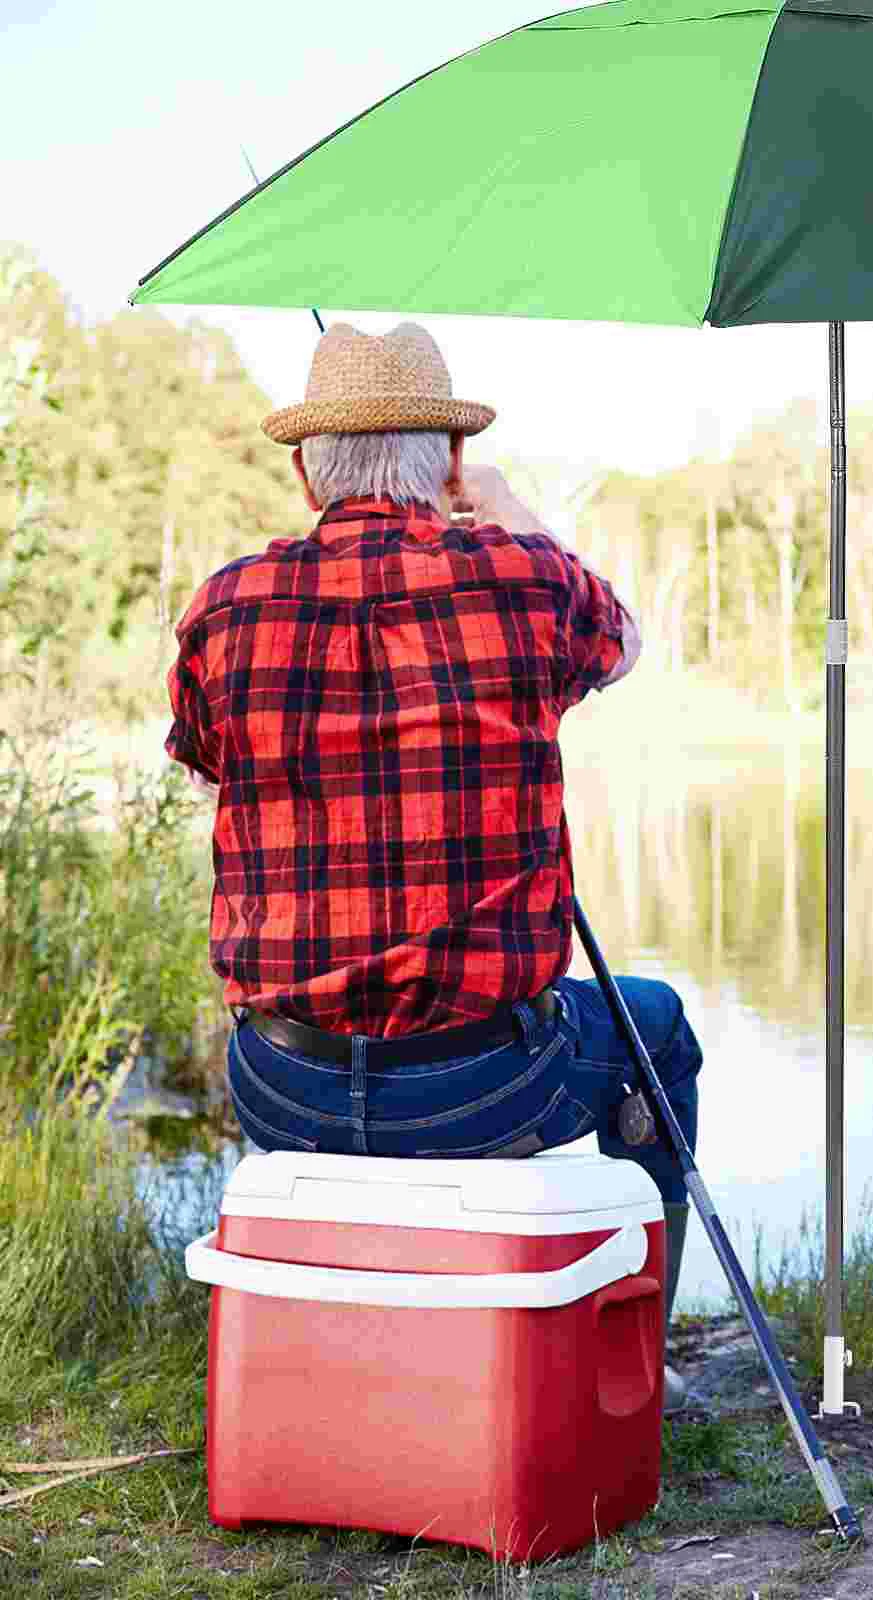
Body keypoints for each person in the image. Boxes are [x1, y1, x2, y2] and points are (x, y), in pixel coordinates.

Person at [165, 321, 702, 1409]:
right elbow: (625, 640)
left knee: (613, 1022)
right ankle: (636, 1358)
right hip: (481, 1083)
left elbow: (199, 766)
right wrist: (499, 506)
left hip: (287, 1082)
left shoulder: (225, 606)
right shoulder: (522, 578)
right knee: (659, 1028)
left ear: (307, 466)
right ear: (447, 460)